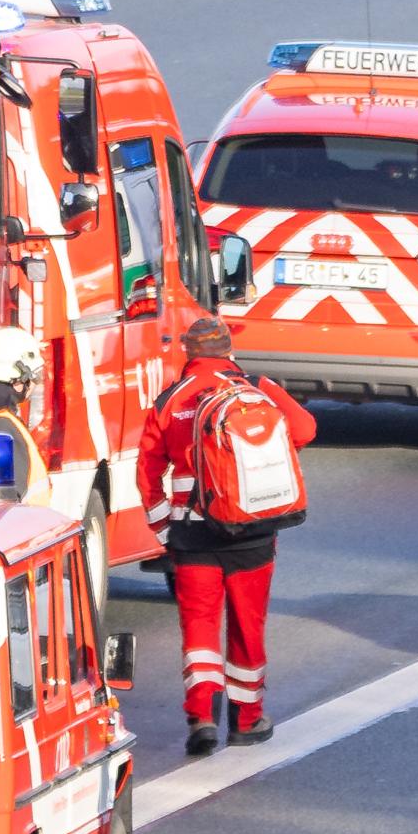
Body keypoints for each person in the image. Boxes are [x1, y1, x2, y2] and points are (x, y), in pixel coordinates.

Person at [140, 313, 310, 753]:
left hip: (193, 537)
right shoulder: (259, 388)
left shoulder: (170, 400)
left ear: (189, 353)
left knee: (199, 626)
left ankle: (201, 717)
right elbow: (307, 430)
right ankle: (247, 717)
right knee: (247, 627)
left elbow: (147, 471)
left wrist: (163, 529)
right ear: (229, 350)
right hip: (253, 534)